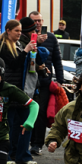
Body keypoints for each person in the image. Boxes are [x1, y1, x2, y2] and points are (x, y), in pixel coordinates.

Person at [0, 18, 48, 164]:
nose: (19, 33)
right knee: (9, 125)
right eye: (17, 31)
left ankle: (23, 155)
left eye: (20, 31)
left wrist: (34, 53)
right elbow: (14, 64)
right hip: (10, 89)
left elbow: (30, 64)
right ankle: (8, 154)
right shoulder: (3, 46)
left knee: (26, 122)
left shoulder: (19, 44)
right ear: (8, 31)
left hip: (24, 89)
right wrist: (26, 51)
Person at [29, 11, 65, 156]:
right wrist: (36, 41)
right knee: (27, 112)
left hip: (44, 82)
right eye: (34, 21)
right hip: (28, 81)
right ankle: (27, 140)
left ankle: (37, 144)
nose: (37, 23)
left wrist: (60, 80)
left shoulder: (51, 38)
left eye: (39, 21)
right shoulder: (27, 38)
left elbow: (57, 60)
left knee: (40, 112)